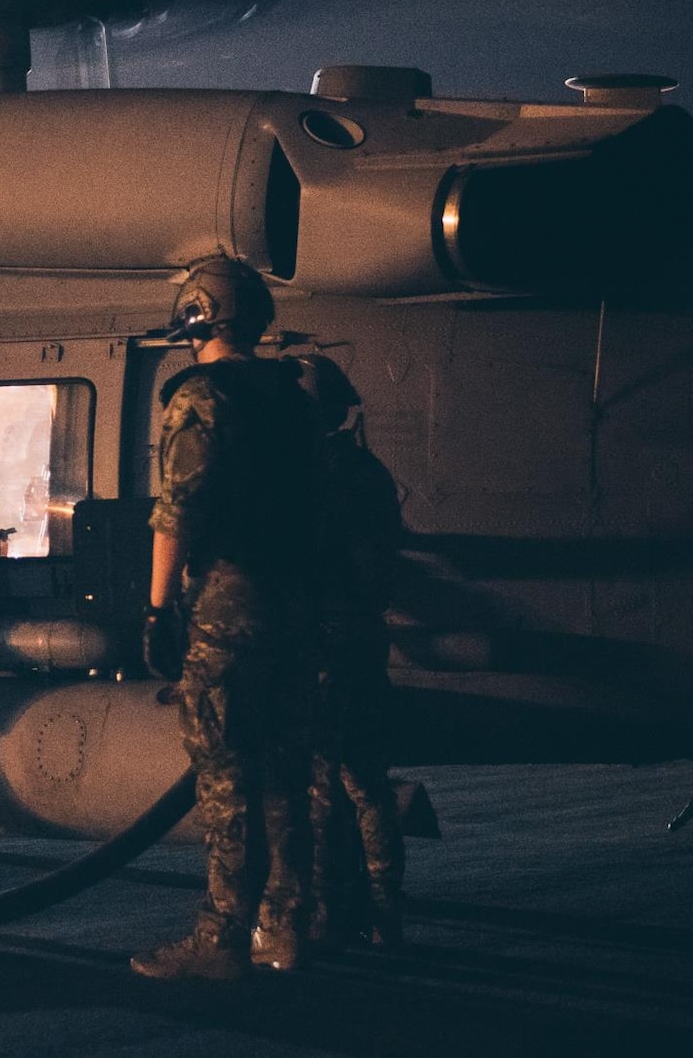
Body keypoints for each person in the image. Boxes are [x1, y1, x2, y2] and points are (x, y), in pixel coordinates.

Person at [131, 256, 324, 982]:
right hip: (297, 607)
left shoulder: (201, 399)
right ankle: (285, 928)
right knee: (286, 774)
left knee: (225, 778)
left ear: (196, 315)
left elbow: (177, 510)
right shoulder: (294, 398)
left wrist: (156, 610)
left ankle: (219, 938)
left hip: (228, 603)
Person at [297, 355, 408, 949]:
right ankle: (387, 916)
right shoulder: (369, 472)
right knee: (370, 789)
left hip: (321, 647)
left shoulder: (308, 477)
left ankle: (320, 917)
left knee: (317, 791)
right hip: (365, 642)